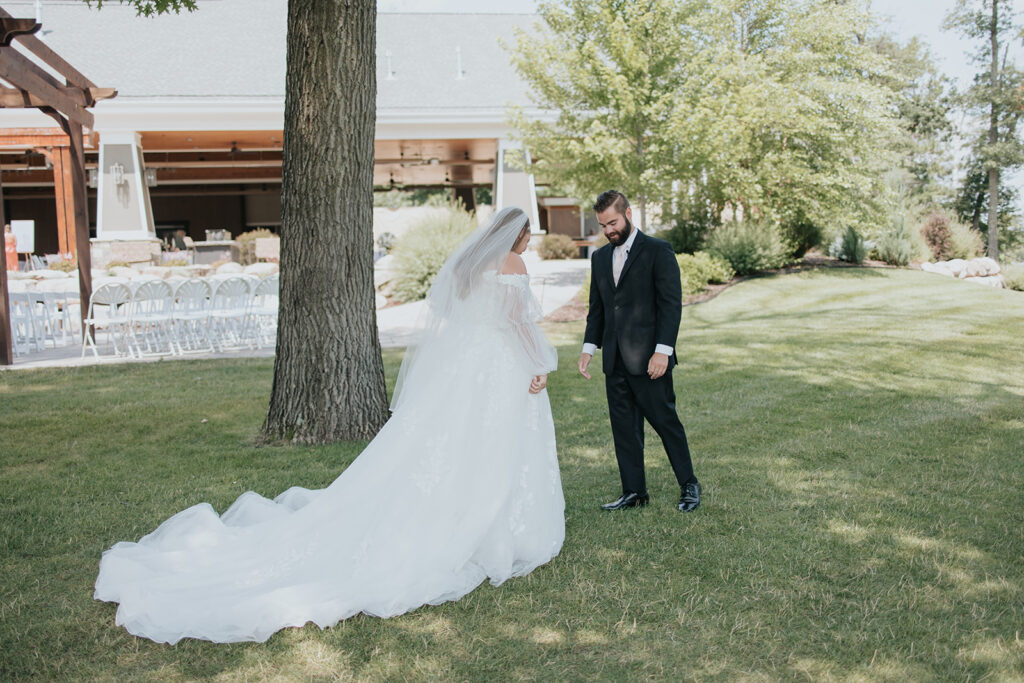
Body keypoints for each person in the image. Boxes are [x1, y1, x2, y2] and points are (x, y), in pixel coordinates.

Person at [94, 207, 564, 644]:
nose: (526, 245)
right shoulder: (511, 264)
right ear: (517, 234)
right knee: (491, 443)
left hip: (464, 365)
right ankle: (491, 524)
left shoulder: (468, 267)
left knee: (450, 442)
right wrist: (538, 360)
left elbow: (453, 312)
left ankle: (466, 511)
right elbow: (515, 321)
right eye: (527, 236)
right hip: (497, 365)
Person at [577, 190, 701, 513]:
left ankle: (689, 484)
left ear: (628, 214)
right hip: (614, 361)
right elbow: (598, 309)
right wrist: (588, 348)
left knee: (665, 421)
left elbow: (670, 305)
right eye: (603, 225)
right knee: (624, 429)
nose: (608, 231)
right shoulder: (599, 258)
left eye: (613, 223)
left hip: (650, 361)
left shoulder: (658, 251)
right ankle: (634, 491)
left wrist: (663, 351)